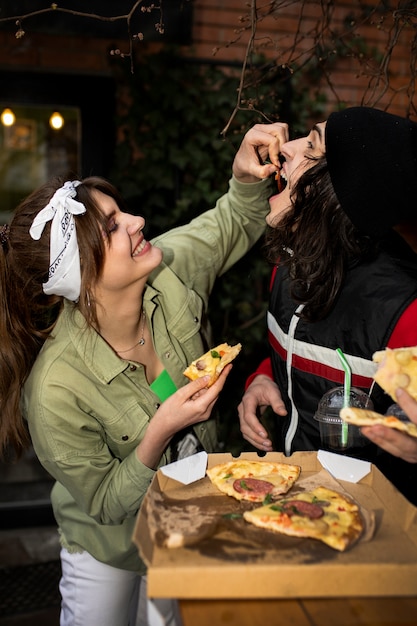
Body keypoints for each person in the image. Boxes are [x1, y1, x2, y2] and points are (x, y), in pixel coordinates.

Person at [0, 122, 286, 626]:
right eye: (112, 226)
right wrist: (162, 428)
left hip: (189, 519)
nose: (137, 220)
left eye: (120, 211)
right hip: (108, 546)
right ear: (80, 276)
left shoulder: (169, 270)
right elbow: (107, 502)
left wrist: (245, 174)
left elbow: (234, 220)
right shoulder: (54, 390)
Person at [237, 107, 417, 505]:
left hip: (366, 532)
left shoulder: (407, 312)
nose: (288, 146)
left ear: (343, 193)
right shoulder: (288, 264)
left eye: (313, 147)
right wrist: (264, 378)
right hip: (283, 501)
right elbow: (300, 347)